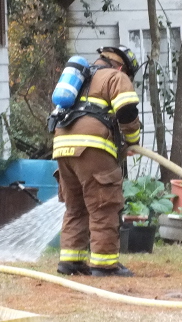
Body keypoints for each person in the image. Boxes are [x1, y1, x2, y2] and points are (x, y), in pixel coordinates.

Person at [52, 45, 141, 277]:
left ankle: (71, 261)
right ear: (122, 66)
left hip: (62, 147)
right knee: (104, 205)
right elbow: (128, 112)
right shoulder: (115, 77)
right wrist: (132, 140)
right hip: (92, 147)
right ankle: (104, 265)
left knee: (75, 207)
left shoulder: (79, 80)